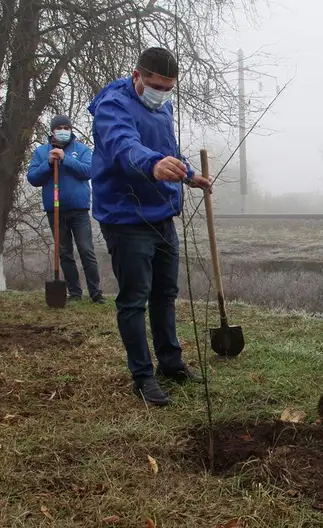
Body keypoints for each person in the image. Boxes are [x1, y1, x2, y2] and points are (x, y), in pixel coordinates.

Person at [87, 47, 212, 406]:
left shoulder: (163, 108)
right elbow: (124, 146)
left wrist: (189, 175)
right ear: (137, 75)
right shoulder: (113, 106)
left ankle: (171, 364)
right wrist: (153, 166)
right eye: (156, 85)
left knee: (165, 294)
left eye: (169, 88)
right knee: (134, 299)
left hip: (161, 214)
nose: (162, 93)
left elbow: (167, 149)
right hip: (126, 217)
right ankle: (142, 376)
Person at [27, 114, 105, 304]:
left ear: (71, 130)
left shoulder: (82, 150)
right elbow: (33, 178)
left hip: (79, 210)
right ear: (52, 131)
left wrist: (65, 160)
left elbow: (89, 171)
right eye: (59, 127)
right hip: (55, 211)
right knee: (64, 252)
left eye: (66, 127)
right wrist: (48, 163)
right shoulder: (41, 152)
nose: (63, 131)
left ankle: (96, 293)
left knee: (86, 250)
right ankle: (75, 293)